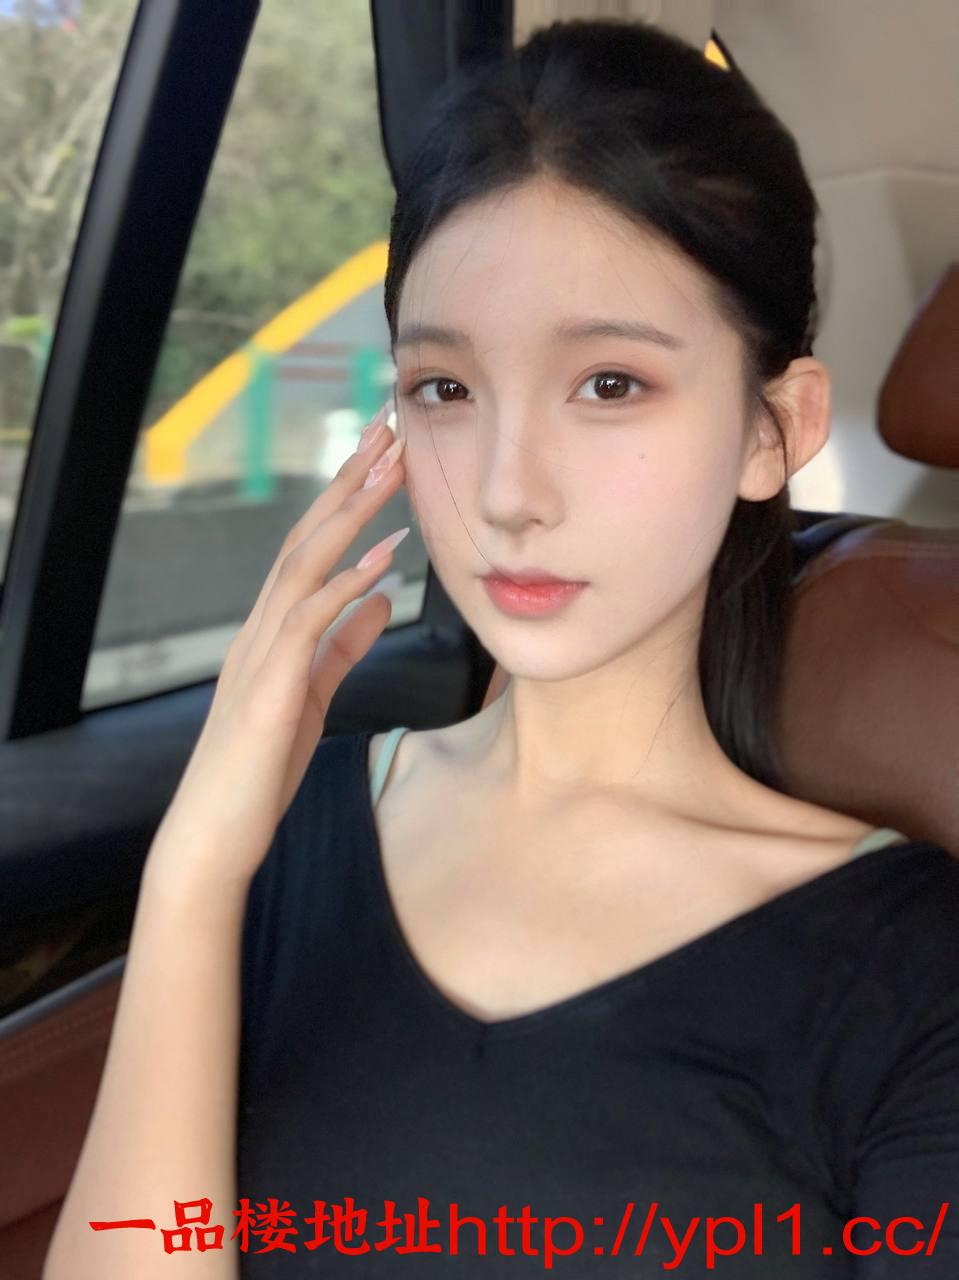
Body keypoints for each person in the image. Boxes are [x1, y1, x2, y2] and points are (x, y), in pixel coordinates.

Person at [45, 18, 959, 1280]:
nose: (503, 491)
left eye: (608, 384)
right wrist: (192, 868)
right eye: (446, 389)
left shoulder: (909, 972)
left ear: (774, 427)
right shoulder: (283, 830)